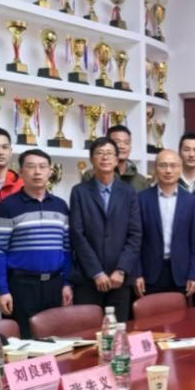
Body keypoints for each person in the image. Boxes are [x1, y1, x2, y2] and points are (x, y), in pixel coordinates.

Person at [0, 149, 73, 338]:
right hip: (21, 286)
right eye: (31, 166)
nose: (37, 172)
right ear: (20, 171)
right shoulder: (6, 207)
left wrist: (66, 283)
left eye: (42, 167)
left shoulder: (61, 206)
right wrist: (2, 290)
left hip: (55, 285)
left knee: (57, 341)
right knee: (24, 343)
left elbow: (67, 249)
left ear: (50, 171)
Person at [69, 137, 142, 320]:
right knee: (87, 331)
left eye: (109, 153)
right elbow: (77, 234)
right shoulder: (79, 192)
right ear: (91, 159)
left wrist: (122, 269)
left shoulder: (128, 192)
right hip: (88, 279)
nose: (105, 157)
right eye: (99, 153)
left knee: (118, 330)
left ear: (117, 160)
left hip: (120, 280)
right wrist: (96, 272)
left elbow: (135, 234)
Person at [135, 149, 195, 298]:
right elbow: (135, 240)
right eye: (163, 165)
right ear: (155, 169)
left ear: (180, 169)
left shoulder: (191, 201)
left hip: (181, 274)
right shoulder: (141, 199)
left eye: (173, 165)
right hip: (149, 274)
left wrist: (194, 274)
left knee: (180, 313)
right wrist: (137, 273)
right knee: (150, 313)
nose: (168, 170)